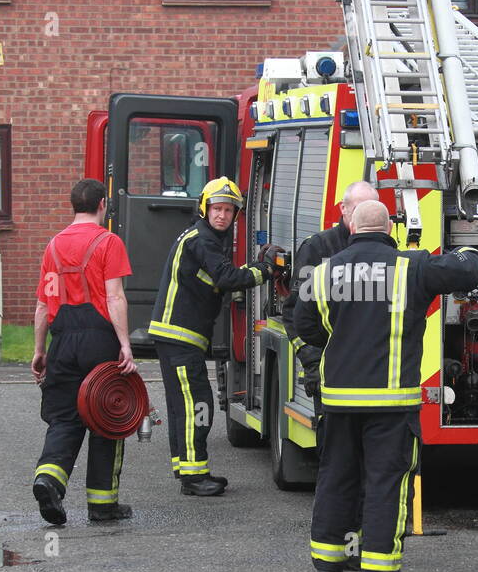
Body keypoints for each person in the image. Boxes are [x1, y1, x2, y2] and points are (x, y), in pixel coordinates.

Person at [294, 201, 478, 572]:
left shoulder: (322, 270)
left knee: (336, 475)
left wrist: (343, 339)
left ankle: (328, 562)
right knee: (387, 480)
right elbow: (468, 267)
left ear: (350, 226)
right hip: (390, 402)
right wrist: (469, 247)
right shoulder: (409, 267)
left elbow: (305, 326)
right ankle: (380, 569)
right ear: (389, 229)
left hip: (338, 399)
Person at [150, 177, 278, 496]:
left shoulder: (201, 237)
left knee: (183, 404)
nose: (222, 215)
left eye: (228, 210)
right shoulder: (202, 240)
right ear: (204, 208)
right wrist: (265, 270)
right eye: (217, 208)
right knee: (198, 403)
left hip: (175, 336)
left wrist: (227, 285)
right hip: (180, 336)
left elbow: (213, 279)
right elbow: (224, 275)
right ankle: (194, 477)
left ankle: (188, 469)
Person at [31, 179, 138, 525]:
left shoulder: (53, 247)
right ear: (103, 204)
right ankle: (102, 504)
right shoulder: (109, 242)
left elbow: (43, 305)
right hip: (99, 341)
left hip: (62, 342)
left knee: (64, 418)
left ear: (73, 205)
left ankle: (48, 480)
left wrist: (39, 350)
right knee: (108, 416)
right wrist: (124, 344)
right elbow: (115, 296)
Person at [281, 180, 381, 406]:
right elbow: (294, 313)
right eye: (359, 209)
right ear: (343, 209)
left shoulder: (388, 251)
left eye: (371, 209)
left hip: (375, 373)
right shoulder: (318, 248)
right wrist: (312, 362)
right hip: (331, 372)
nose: (366, 216)